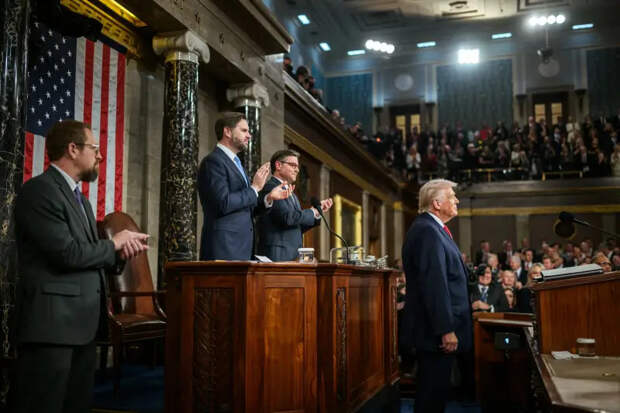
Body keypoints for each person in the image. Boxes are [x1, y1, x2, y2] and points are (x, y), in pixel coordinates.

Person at [12, 120, 149, 413]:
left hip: (83, 325)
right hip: (52, 328)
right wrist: (113, 243)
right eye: (94, 148)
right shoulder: (39, 191)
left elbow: (89, 256)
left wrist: (120, 254)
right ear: (72, 149)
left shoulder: (82, 201)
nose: (100, 155)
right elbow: (67, 254)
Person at [401, 179, 472, 413]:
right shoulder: (428, 231)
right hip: (435, 333)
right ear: (437, 203)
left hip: (436, 330)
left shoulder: (433, 229)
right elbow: (434, 284)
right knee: (431, 396)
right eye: (451, 196)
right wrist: (446, 329)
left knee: (436, 395)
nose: (457, 200)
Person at [198, 112, 291, 260]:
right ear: (227, 131)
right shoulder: (213, 161)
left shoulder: (236, 163)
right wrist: (254, 188)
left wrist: (268, 198)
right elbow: (222, 203)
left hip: (242, 248)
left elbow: (247, 207)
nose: (249, 135)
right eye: (244, 130)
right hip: (224, 247)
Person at [256, 149, 333, 261]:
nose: (297, 170)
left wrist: (317, 212)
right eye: (293, 165)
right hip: (277, 255)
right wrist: (312, 212)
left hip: (292, 255)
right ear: (278, 165)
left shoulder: (292, 194)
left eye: (297, 166)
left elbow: (296, 225)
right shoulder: (271, 187)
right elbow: (287, 218)